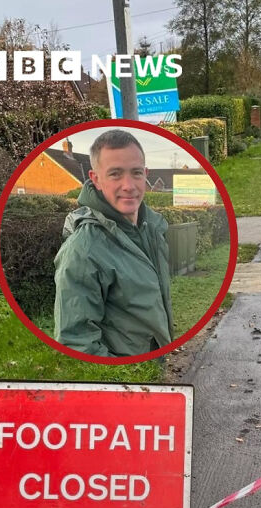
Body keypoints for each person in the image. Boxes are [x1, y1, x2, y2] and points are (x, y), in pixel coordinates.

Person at [54, 129, 174, 357]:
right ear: (96, 179)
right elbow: (75, 342)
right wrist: (131, 377)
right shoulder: (83, 249)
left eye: (136, 173)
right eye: (115, 174)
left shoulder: (153, 228)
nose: (129, 185)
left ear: (146, 174)